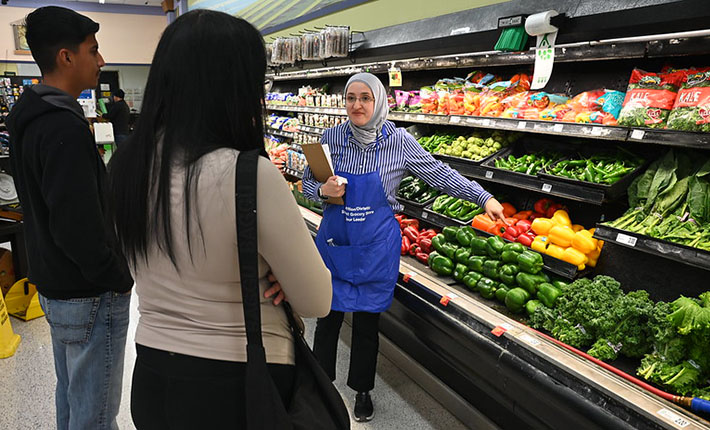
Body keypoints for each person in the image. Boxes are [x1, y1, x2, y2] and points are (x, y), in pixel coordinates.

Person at [107, 10, 332, 429]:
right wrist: (280, 275)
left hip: (154, 375)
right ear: (233, 86)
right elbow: (317, 301)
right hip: (242, 382)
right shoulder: (248, 174)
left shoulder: (126, 167)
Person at [302, 72, 506, 422]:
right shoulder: (331, 137)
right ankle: (320, 386)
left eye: (365, 98)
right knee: (328, 316)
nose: (357, 105)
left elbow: (438, 173)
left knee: (366, 324)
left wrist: (482, 196)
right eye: (351, 98)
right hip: (336, 242)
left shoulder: (399, 142)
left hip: (374, 247)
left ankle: (362, 390)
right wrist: (322, 192)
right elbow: (308, 180)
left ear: (379, 101)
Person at [5, 6, 133, 430]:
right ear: (65, 56)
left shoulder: (30, 117)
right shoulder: (62, 126)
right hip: (88, 292)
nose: (100, 61)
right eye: (93, 51)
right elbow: (76, 225)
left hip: (57, 284)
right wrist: (117, 275)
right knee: (94, 415)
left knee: (73, 399)